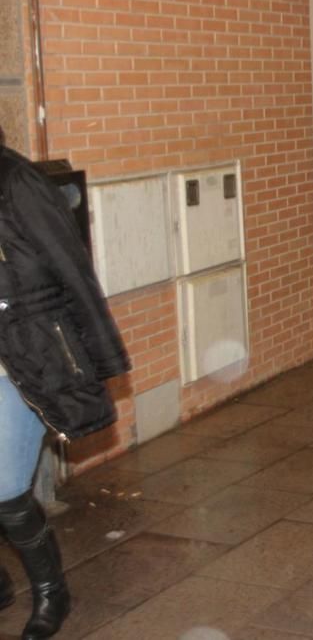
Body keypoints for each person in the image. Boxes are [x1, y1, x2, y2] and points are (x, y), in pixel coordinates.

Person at [0, 127, 131, 639]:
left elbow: (72, 269)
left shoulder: (17, 181)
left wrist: (99, 358)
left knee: (7, 488)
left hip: (21, 357)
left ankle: (53, 591)